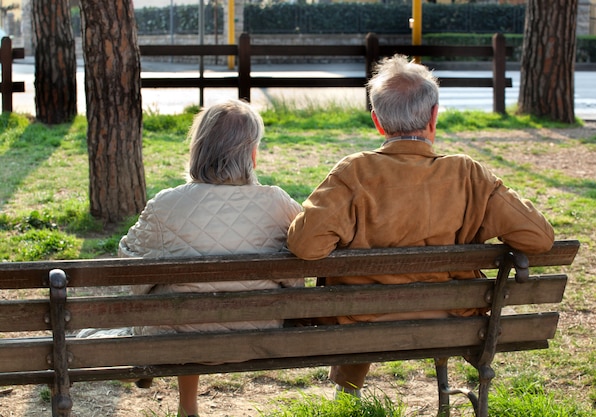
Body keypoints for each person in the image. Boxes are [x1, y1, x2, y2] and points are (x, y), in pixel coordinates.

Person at [286, 55, 555, 398]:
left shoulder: (353, 173)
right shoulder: (468, 175)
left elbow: (305, 245)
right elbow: (540, 237)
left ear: (378, 122)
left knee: (355, 287)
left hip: (360, 322)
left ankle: (347, 394)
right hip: (454, 319)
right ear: (433, 116)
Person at [118, 99, 303, 417]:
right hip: (259, 332)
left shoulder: (167, 205)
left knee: (177, 299)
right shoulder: (278, 203)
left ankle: (186, 406)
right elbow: (298, 270)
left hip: (181, 336)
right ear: (252, 155)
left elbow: (128, 264)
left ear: (198, 150)